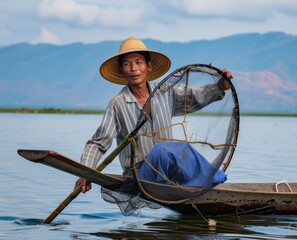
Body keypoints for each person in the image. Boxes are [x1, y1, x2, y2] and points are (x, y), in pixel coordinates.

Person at [75, 36, 233, 193]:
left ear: (148, 67)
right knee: (162, 150)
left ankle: (211, 180)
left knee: (181, 148)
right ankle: (204, 181)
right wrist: (84, 173)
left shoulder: (165, 91)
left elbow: (195, 96)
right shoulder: (118, 104)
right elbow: (97, 144)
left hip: (169, 172)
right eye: (127, 64)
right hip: (140, 176)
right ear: (122, 71)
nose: (134, 69)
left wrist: (220, 85)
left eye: (138, 62)